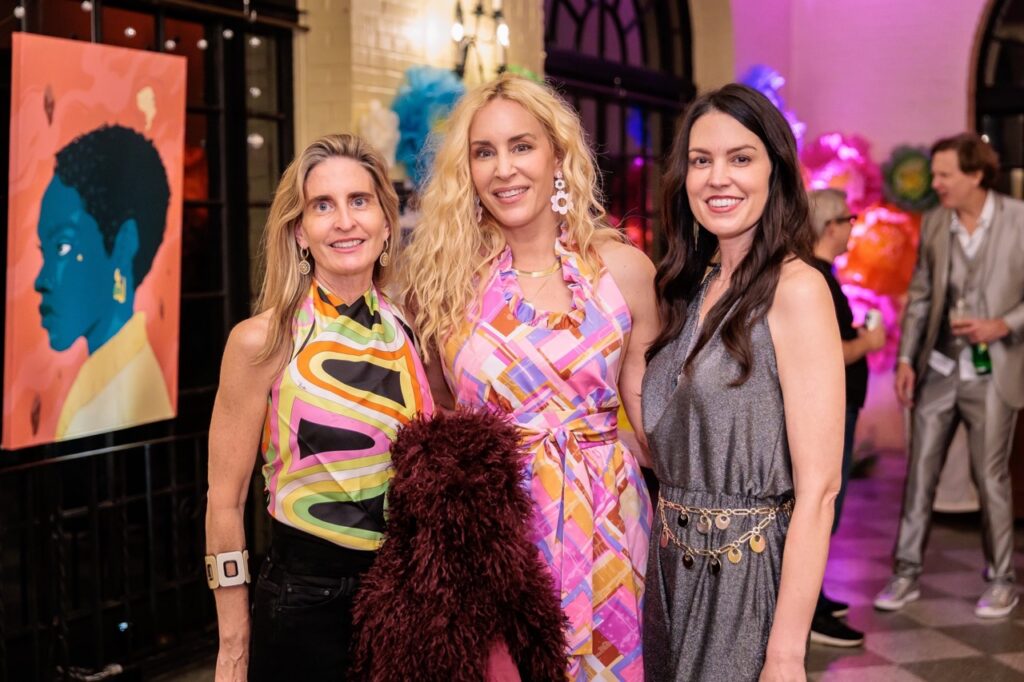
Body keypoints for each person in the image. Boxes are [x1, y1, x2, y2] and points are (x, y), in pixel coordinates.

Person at [402, 73, 659, 679]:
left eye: (522, 146)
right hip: (499, 533)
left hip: (611, 524)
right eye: (483, 152)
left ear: (557, 156)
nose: (504, 169)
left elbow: (653, 415)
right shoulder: (445, 285)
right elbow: (438, 416)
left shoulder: (623, 270)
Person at [205, 134, 433, 682]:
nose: (344, 221)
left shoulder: (417, 333)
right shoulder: (261, 341)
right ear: (299, 231)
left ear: (385, 220)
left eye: (359, 200)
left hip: (405, 598)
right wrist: (234, 647)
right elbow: (223, 502)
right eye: (322, 206)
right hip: (304, 603)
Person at [642, 84, 844, 681]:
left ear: (775, 170)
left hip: (747, 576)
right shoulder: (690, 288)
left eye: (740, 158)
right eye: (701, 160)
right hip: (670, 571)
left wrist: (785, 653)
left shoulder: (797, 288)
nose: (717, 178)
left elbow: (821, 490)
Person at [875, 132, 1024, 618]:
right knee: (919, 475)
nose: (934, 183)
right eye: (935, 174)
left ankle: (1002, 580)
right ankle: (905, 573)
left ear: (976, 175)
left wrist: (1004, 323)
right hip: (937, 369)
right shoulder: (936, 223)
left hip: (994, 370)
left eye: (944, 175)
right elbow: (920, 296)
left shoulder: (1019, 221)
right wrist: (904, 358)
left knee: (991, 476)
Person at [34, 124, 174, 440]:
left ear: (124, 245)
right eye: (45, 251)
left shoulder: (116, 393)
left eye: (63, 247)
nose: (41, 280)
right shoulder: (104, 383)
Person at [807, 188, 886, 647]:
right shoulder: (815, 278)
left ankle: (815, 596)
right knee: (823, 509)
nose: (853, 227)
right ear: (830, 226)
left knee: (826, 508)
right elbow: (829, 352)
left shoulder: (823, 276)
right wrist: (869, 343)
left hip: (839, 406)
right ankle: (810, 609)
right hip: (830, 408)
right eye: (849, 219)